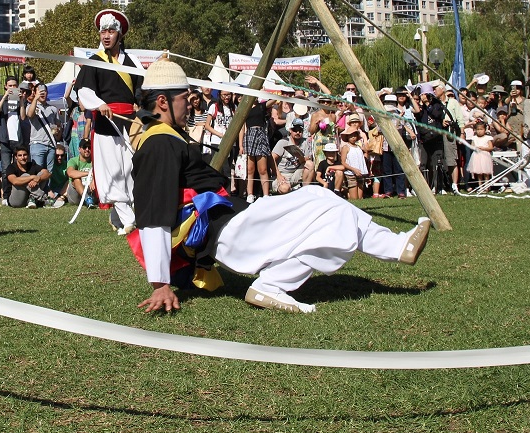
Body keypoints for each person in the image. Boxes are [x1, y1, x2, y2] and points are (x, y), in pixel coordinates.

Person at [130, 56, 431, 315]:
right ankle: (391, 248)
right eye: (186, 99)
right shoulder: (159, 143)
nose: (191, 104)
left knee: (319, 203)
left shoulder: (166, 139)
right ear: (162, 102)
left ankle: (273, 285)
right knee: (323, 209)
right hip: (228, 231)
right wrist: (160, 283)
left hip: (232, 223)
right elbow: (154, 213)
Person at [75, 9, 142, 232]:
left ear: (119, 35)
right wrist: (98, 104)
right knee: (112, 173)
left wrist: (140, 103)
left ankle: (128, 215)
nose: (106, 35)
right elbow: (83, 90)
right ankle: (129, 219)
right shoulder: (94, 62)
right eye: (103, 31)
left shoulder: (131, 61)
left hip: (130, 122)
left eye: (111, 31)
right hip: (106, 123)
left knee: (131, 170)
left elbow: (142, 88)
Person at [23, 83, 59, 178]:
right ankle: (37, 193)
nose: (42, 94)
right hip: (37, 144)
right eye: (40, 91)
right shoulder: (31, 106)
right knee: (37, 171)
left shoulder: (53, 109)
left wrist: (57, 131)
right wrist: (35, 99)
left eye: (44, 91)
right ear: (34, 93)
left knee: (49, 173)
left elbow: (57, 125)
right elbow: (30, 115)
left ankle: (47, 192)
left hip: (51, 144)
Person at [271, 119, 313, 193]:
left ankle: (306, 191)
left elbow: (307, 160)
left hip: (295, 173)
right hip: (282, 174)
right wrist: (278, 175)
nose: (297, 132)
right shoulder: (283, 142)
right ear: (290, 130)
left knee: (310, 164)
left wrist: (301, 158)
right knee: (284, 189)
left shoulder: (304, 143)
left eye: (300, 131)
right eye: (295, 130)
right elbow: (272, 158)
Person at [5, 144, 52, 209]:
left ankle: (32, 199)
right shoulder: (11, 167)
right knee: (25, 176)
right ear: (16, 157)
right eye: (20, 155)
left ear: (28, 155)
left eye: (25, 155)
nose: (23, 158)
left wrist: (39, 178)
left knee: (41, 174)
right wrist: (32, 177)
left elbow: (47, 173)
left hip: (28, 197)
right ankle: (44, 198)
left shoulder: (32, 165)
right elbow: (15, 181)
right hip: (15, 200)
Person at [64, 142, 95, 207]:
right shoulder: (73, 161)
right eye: (84, 147)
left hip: (91, 190)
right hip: (76, 196)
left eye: (89, 147)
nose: (87, 149)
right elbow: (70, 173)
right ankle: (87, 199)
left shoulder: (95, 160)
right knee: (76, 178)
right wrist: (90, 174)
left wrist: (94, 179)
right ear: (79, 149)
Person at [467, 122, 495, 189]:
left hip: (485, 155)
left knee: (486, 172)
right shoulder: (474, 138)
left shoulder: (487, 138)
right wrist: (475, 148)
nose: (479, 131)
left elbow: (491, 147)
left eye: (481, 129)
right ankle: (480, 186)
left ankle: (487, 186)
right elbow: (472, 146)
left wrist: (484, 148)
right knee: (478, 172)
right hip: (477, 156)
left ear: (485, 129)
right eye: (478, 129)